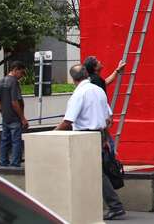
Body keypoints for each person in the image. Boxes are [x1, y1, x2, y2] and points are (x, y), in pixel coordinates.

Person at [55, 64, 125, 221]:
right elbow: (109, 118)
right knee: (96, 172)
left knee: (95, 173)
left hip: (83, 136)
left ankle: (115, 206)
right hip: (99, 135)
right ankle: (102, 205)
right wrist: (105, 138)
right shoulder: (98, 90)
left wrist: (51, 134)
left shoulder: (79, 94)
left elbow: (68, 121)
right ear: (86, 74)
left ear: (73, 79)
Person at [0, 61, 29, 167]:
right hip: (15, 117)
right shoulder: (14, 82)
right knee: (16, 141)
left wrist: (3, 113)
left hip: (6, 117)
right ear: (15, 70)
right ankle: (15, 164)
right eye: (21, 73)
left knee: (4, 140)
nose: (22, 76)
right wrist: (22, 118)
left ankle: (3, 162)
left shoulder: (1, 81)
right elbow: (14, 102)